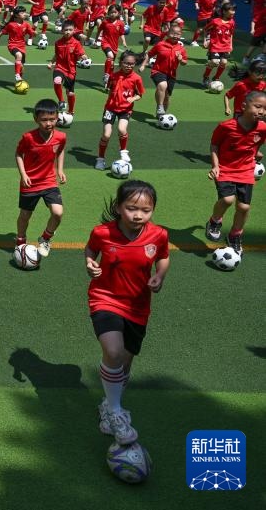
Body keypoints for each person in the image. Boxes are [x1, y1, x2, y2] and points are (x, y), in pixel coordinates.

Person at [85, 180, 169, 446]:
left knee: (125, 364)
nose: (138, 215)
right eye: (131, 208)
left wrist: (160, 275)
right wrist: (90, 263)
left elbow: (163, 257)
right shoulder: (102, 233)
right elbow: (91, 250)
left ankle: (109, 407)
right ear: (119, 207)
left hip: (138, 305)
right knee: (113, 352)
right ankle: (117, 413)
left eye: (146, 210)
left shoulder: (158, 235)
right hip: (105, 298)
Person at [205, 91, 266, 256]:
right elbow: (214, 146)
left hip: (246, 170)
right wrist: (215, 166)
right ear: (244, 105)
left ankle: (235, 235)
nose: (262, 112)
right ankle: (214, 221)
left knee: (244, 207)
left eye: (265, 109)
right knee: (227, 199)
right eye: (258, 106)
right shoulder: (226, 126)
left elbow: (256, 144)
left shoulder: (262, 128)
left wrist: (255, 153)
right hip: (225, 168)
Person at [15, 99, 66, 257]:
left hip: (49, 181)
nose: (49, 123)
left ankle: (45, 238)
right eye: (44, 120)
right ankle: (21, 240)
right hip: (30, 183)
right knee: (25, 215)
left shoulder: (61, 136)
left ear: (57, 117)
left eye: (52, 119)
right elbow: (18, 154)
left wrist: (60, 169)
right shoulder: (28, 137)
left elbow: (60, 150)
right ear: (36, 119)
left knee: (58, 213)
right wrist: (23, 174)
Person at [97, 51, 145, 170]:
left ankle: (123, 151)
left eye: (132, 64)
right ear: (121, 63)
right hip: (110, 108)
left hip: (125, 109)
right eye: (126, 63)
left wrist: (132, 98)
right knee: (106, 135)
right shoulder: (113, 76)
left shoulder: (137, 78)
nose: (129, 66)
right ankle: (100, 159)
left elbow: (140, 94)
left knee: (122, 129)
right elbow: (109, 88)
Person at [142, 24, 187, 117]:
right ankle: (160, 106)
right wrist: (143, 64)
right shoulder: (160, 44)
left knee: (166, 96)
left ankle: (161, 115)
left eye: (178, 34)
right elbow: (149, 54)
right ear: (167, 34)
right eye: (173, 33)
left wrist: (181, 59)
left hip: (171, 75)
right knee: (162, 85)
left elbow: (184, 62)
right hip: (158, 71)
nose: (175, 36)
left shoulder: (181, 48)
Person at [49, 20, 85, 119]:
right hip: (59, 67)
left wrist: (85, 58)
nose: (68, 32)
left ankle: (71, 111)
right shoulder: (58, 43)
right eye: (65, 30)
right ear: (62, 31)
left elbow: (81, 54)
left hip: (71, 71)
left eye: (70, 30)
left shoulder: (76, 43)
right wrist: (51, 62)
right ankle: (61, 101)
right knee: (57, 81)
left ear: (74, 31)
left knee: (70, 93)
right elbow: (57, 55)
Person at [202, 2, 237, 85]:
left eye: (234, 10)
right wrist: (206, 40)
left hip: (225, 46)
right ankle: (206, 76)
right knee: (214, 62)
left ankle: (216, 77)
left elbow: (231, 34)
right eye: (231, 10)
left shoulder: (232, 22)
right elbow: (206, 29)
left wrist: (230, 45)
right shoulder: (215, 21)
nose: (233, 12)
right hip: (215, 46)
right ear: (224, 12)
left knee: (224, 62)